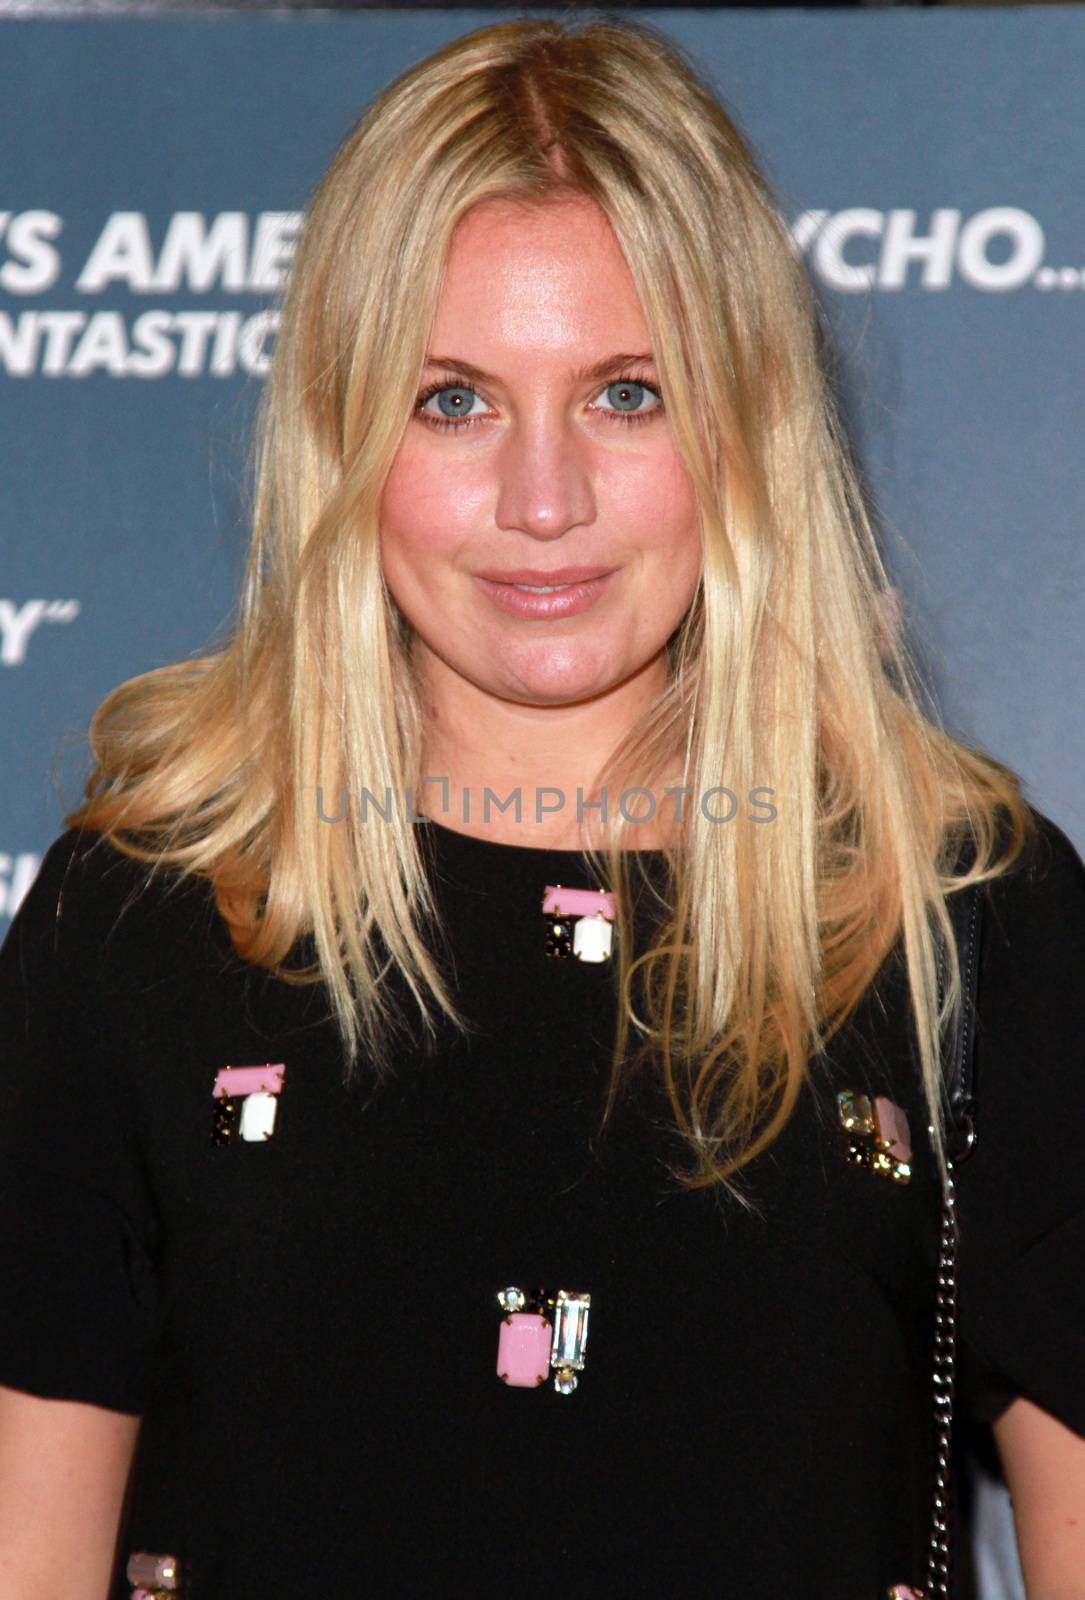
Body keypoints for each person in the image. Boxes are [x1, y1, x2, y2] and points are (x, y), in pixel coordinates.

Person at [0, 14, 1083, 1599]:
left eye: (626, 393)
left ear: (746, 422)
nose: (542, 499)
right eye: (454, 401)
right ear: (342, 430)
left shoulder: (960, 916)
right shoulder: (145, 914)